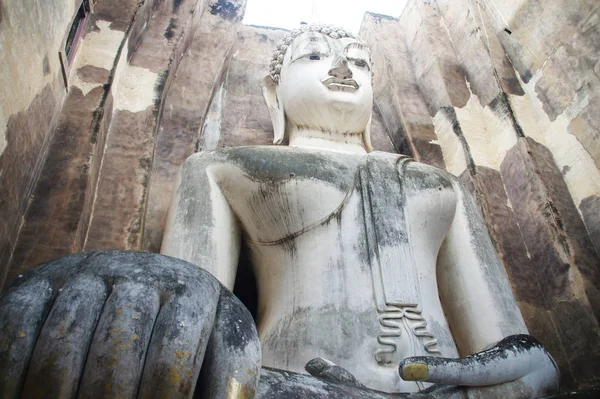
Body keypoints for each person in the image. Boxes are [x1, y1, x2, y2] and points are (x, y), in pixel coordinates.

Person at [160, 24, 559, 397]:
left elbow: (504, 344)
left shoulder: (441, 185)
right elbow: (187, 331)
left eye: (359, 62)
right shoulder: (223, 169)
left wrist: (525, 364)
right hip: (295, 384)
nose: (341, 68)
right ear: (273, 91)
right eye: (314, 57)